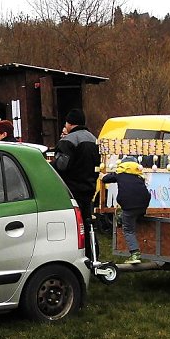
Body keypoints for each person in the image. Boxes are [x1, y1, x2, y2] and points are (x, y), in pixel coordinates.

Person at [53, 109, 100, 259]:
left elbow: (61, 166)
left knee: (72, 225)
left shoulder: (68, 141)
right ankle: (92, 254)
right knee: (87, 223)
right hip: (89, 187)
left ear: (69, 123)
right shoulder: (94, 139)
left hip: (70, 190)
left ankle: (75, 256)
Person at [101, 156, 152, 264]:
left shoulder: (120, 174)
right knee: (131, 215)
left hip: (129, 206)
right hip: (143, 205)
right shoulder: (139, 176)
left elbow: (105, 179)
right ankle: (121, 218)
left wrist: (102, 175)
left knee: (128, 230)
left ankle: (135, 254)